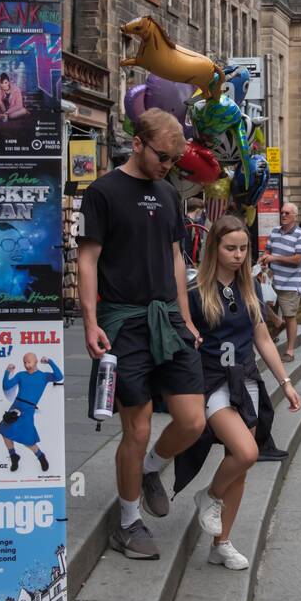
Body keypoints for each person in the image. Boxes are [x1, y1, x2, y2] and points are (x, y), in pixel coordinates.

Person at [77, 109, 207, 561]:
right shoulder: (102, 192)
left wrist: (185, 318)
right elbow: (88, 260)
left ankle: (152, 469)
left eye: (173, 159)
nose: (166, 166)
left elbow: (176, 259)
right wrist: (91, 322)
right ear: (137, 143)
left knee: (193, 419)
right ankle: (128, 522)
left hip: (165, 317)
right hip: (122, 320)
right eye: (162, 156)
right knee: (138, 426)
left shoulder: (170, 195)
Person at [187, 214, 301, 569]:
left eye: (243, 249)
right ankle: (208, 495)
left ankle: (221, 543)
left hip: (247, 380)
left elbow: (263, 339)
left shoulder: (249, 290)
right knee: (247, 453)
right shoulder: (194, 293)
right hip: (212, 383)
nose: (238, 255)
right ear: (214, 249)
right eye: (230, 248)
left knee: (240, 466)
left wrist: (286, 382)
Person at [0, 353, 62, 473]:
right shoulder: (21, 375)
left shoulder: (43, 376)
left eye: (29, 362)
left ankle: (40, 456)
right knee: (5, 432)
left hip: (28, 409)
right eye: (25, 362)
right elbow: (6, 386)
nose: (26, 365)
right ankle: (13, 456)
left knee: (27, 438)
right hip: (16, 406)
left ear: (36, 361)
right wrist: (7, 371)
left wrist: (49, 361)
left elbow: (59, 376)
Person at [264, 202, 301, 361]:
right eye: (282, 212)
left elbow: (298, 259)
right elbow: (268, 249)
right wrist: (263, 258)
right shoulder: (275, 231)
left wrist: (274, 257)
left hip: (291, 283)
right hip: (273, 281)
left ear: (294, 216)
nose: (283, 215)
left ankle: (290, 350)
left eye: (287, 213)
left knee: (290, 316)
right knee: (262, 306)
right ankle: (275, 329)